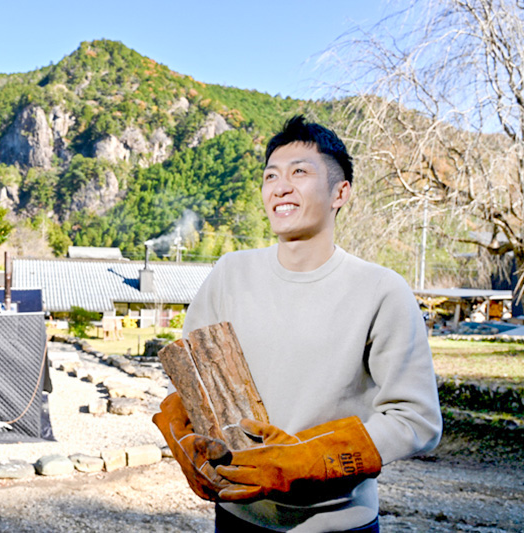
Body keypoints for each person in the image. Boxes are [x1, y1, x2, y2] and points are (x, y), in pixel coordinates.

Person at [153, 115, 442, 532]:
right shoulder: (230, 273)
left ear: (340, 192)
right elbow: (188, 378)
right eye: (271, 176)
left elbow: (416, 418)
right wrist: (184, 432)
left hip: (337, 523)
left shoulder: (381, 291)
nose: (280, 186)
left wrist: (309, 459)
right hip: (237, 515)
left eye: (299, 172)